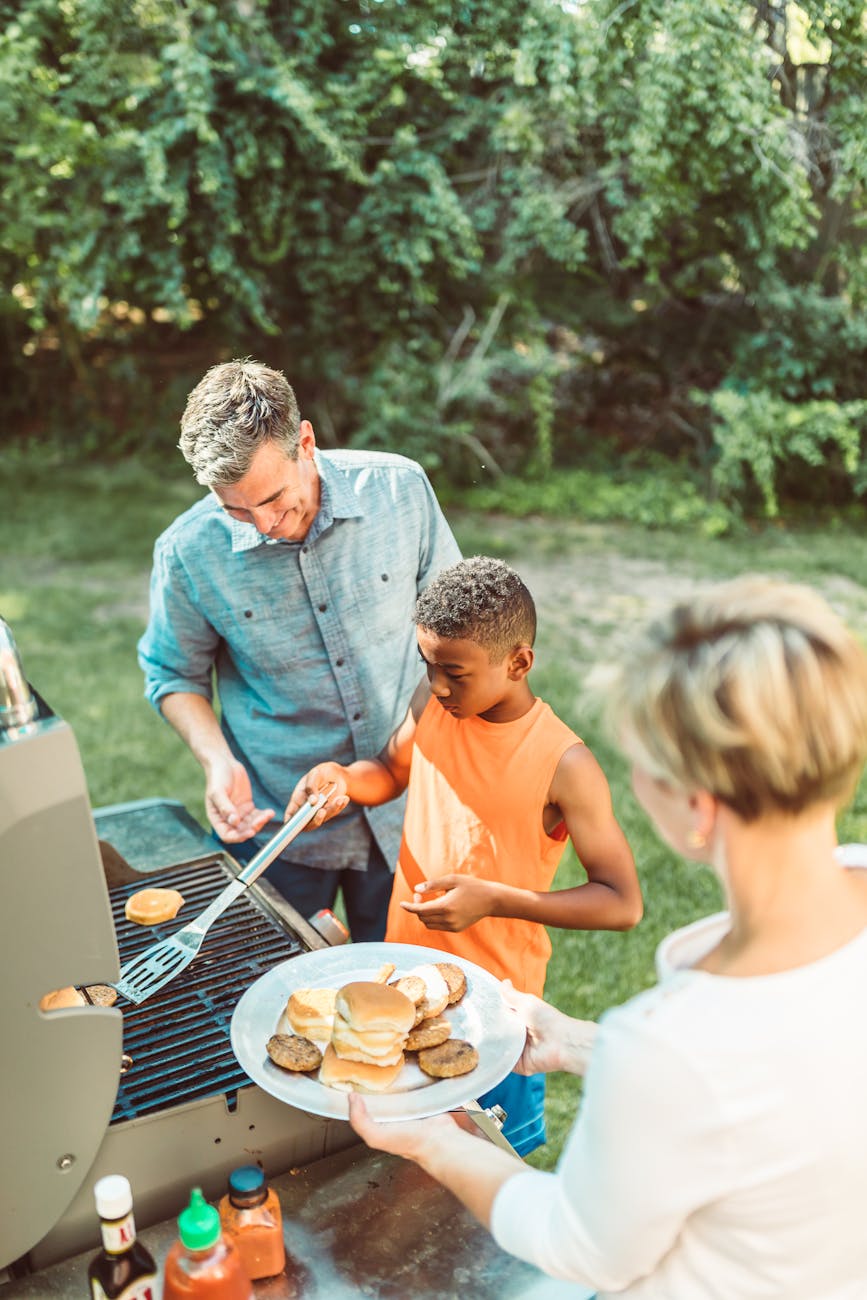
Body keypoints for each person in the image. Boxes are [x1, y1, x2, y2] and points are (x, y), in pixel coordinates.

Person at [344, 575, 867, 1298]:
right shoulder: (662, 1051)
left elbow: (578, 1247)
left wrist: (429, 1138)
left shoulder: (663, 1048)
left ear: (693, 807)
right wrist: (582, 1043)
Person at [287, 556, 642, 1153]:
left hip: (499, 1010)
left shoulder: (565, 765)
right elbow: (389, 770)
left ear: (518, 662)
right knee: (404, 1162)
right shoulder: (435, 706)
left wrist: (495, 901)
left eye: (454, 672)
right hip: (407, 984)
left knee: (485, 1167)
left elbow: (621, 901)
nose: (439, 685)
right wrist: (344, 781)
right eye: (428, 667)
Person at [137, 359, 460, 941]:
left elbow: (460, 637)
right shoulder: (188, 552)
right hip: (278, 828)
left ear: (305, 441)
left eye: (274, 498)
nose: (262, 524)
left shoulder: (401, 491)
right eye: (236, 508)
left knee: (405, 1004)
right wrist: (217, 761)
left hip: (412, 809)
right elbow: (170, 673)